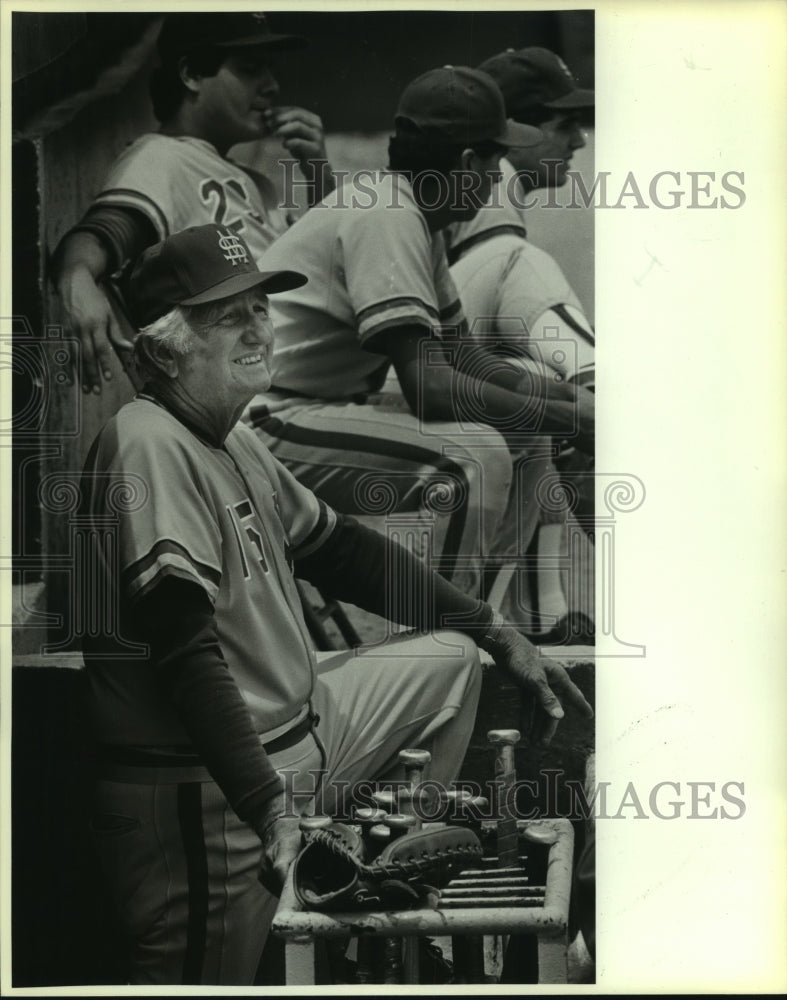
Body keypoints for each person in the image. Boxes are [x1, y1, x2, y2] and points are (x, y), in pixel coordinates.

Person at [79, 223, 592, 985]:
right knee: (201, 980)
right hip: (209, 789)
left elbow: (342, 551)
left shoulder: (230, 433)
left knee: (449, 663)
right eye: (229, 318)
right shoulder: (148, 444)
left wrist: (492, 628)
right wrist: (269, 811)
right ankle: (322, 878)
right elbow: (186, 651)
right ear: (166, 346)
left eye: (260, 307)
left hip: (307, 734)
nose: (259, 327)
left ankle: (359, 887)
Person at [248, 65, 594, 601]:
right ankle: (443, 649)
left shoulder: (415, 214)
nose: (498, 176)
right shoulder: (387, 215)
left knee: (526, 432)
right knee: (473, 457)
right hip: (260, 422)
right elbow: (430, 391)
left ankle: (490, 616)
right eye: (492, 160)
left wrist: (566, 400)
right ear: (464, 163)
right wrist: (574, 415)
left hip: (308, 409)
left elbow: (466, 361)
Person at [52, 11, 334, 394]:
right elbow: (100, 235)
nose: (272, 85)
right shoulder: (161, 157)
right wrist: (77, 278)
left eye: (269, 70)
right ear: (191, 75)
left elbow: (324, 274)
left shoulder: (258, 183)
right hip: (243, 397)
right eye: (251, 69)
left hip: (288, 376)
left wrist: (318, 173)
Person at [445, 48, 596, 641]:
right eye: (564, 124)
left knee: (541, 392)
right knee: (576, 396)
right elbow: (596, 384)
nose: (580, 141)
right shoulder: (510, 256)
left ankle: (544, 618)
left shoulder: (466, 213)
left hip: (420, 419)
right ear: (514, 132)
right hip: (409, 430)